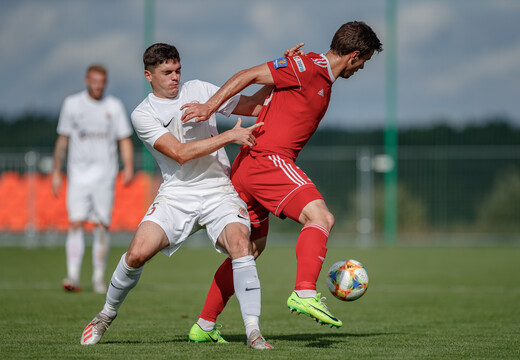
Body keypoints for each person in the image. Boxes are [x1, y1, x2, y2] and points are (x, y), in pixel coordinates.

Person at [79, 42, 304, 349]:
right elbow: (180, 154)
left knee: (242, 246)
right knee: (136, 255)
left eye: (178, 70)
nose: (175, 77)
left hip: (218, 190)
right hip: (177, 194)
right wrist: (230, 135)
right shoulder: (142, 114)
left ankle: (253, 332)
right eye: (166, 72)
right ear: (148, 75)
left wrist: (282, 69)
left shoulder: (199, 88)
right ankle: (105, 315)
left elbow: (251, 104)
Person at [181, 21, 383, 335]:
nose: (360, 69)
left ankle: (204, 325)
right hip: (268, 160)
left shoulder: (311, 70)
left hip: (249, 165)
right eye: (364, 62)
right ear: (354, 56)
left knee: (248, 251)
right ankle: (304, 291)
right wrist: (210, 107)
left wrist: (283, 69)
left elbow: (269, 99)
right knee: (321, 217)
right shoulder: (309, 66)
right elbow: (245, 75)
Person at [52, 64, 134, 294]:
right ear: (87, 80)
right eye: (95, 81)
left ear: (105, 82)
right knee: (76, 222)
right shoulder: (72, 104)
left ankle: (98, 278)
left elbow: (124, 139)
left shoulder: (114, 106)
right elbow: (63, 140)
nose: (98, 85)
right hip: (78, 175)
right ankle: (73, 276)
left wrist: (128, 166)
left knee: (101, 225)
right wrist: (57, 170)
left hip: (105, 175)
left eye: (102, 81)